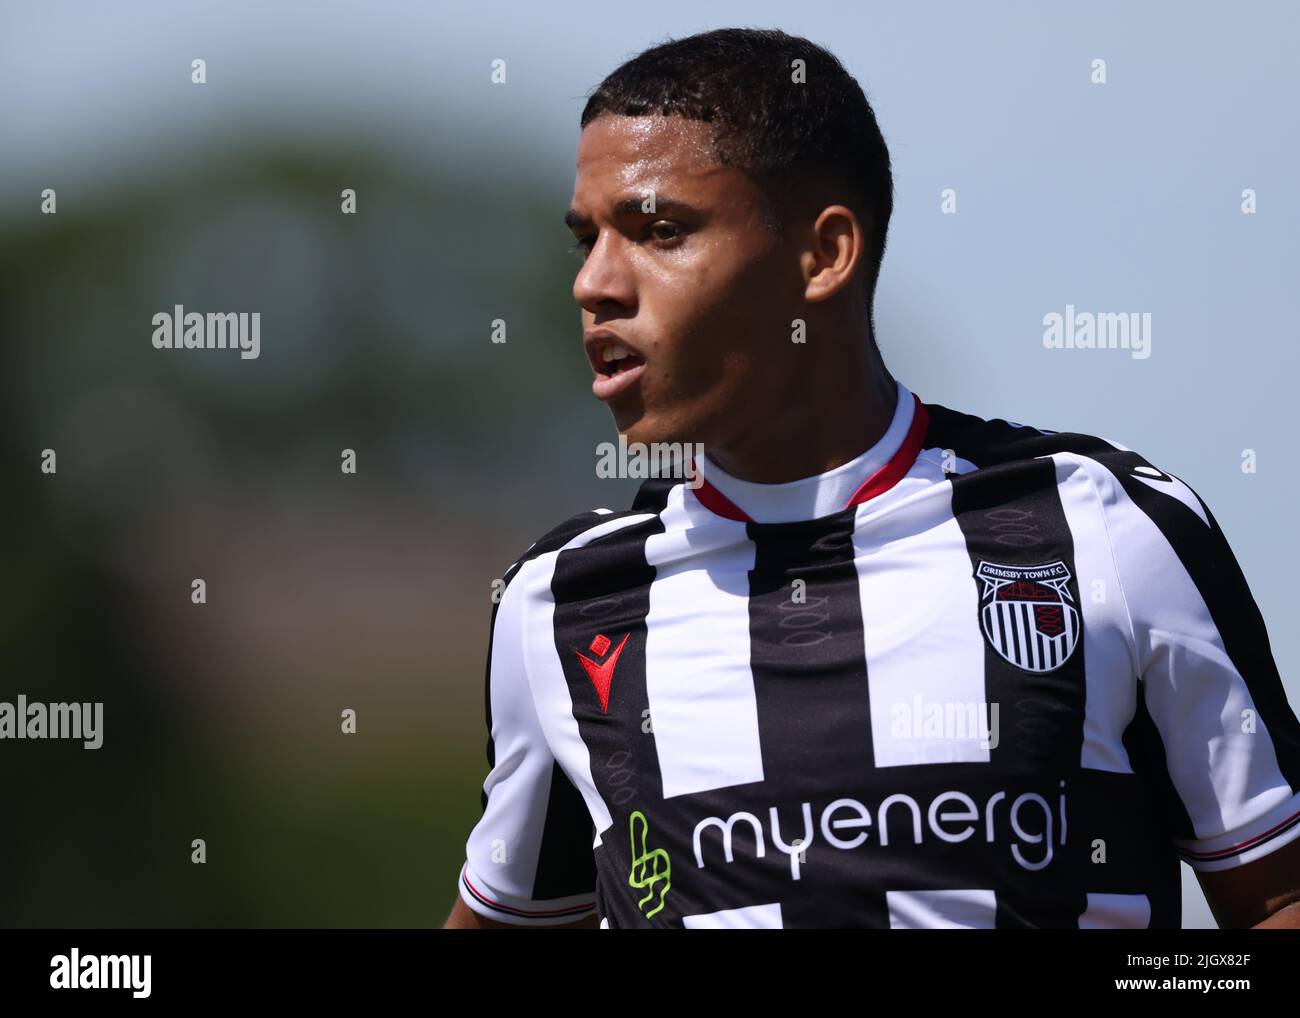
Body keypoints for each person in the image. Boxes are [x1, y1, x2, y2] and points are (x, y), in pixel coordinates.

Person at [444, 27, 1300, 929]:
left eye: (659, 231)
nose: (595, 283)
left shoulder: (1103, 528)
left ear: (824, 255)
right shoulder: (564, 604)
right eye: (588, 238)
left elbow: (1277, 897)